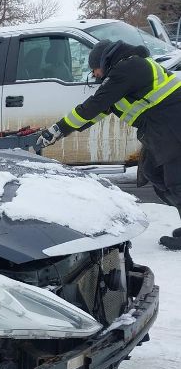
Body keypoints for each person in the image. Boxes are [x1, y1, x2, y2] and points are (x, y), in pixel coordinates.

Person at [37, 39, 181, 250]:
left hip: (173, 124)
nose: (94, 74)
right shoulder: (120, 76)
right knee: (152, 172)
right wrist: (59, 133)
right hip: (160, 128)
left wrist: (58, 128)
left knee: (176, 182)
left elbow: (94, 105)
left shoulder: (130, 67)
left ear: (103, 61)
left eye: (94, 69)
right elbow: (96, 113)